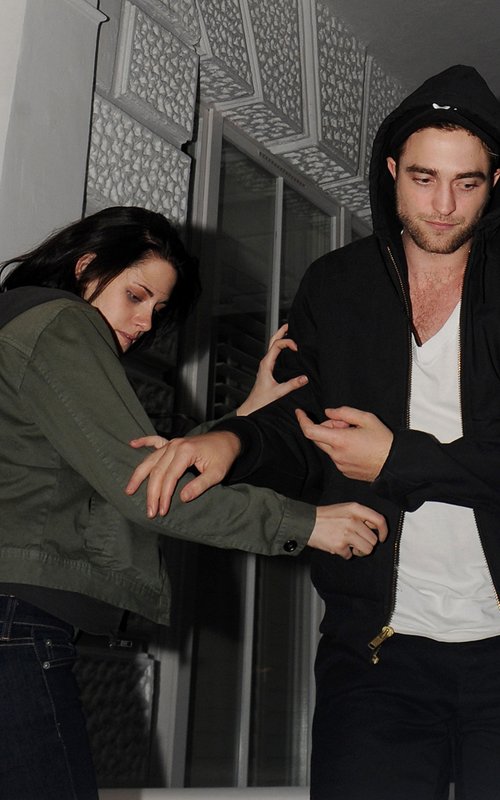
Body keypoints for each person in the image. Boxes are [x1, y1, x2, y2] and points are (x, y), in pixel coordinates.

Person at [126, 65, 500, 799]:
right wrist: (232, 440)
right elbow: (297, 426)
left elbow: (386, 457)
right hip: (376, 655)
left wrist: (398, 459)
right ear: (390, 170)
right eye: (424, 178)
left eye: (468, 183)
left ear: (495, 182)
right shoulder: (336, 284)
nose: (444, 205)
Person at [0, 205, 387, 800]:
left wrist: (244, 419)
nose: (143, 322)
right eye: (135, 296)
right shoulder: (61, 324)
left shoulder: (19, 325)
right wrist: (307, 524)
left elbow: (137, 466)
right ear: (86, 267)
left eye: (157, 310)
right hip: (15, 622)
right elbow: (145, 489)